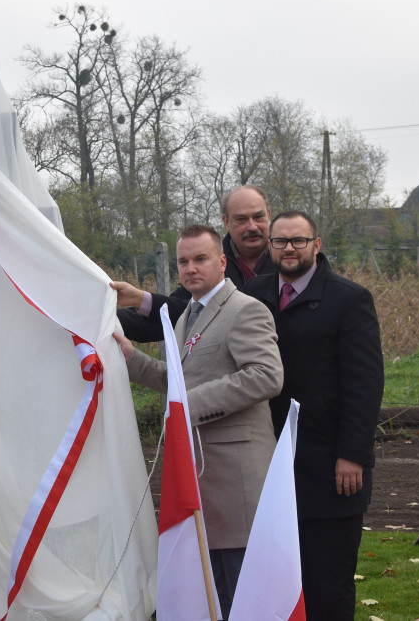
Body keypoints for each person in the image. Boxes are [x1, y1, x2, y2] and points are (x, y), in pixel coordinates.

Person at [112, 224, 283, 620]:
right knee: (211, 595)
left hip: (237, 479)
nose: (190, 269)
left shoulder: (245, 310)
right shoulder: (187, 313)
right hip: (200, 476)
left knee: (242, 596)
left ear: (222, 263)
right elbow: (177, 381)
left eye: (201, 259)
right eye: (183, 262)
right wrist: (130, 358)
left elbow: (266, 375)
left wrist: (187, 405)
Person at [244, 211, 384, 621]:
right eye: (281, 241)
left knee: (327, 583)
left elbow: (365, 383)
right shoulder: (255, 290)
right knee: (279, 580)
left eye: (299, 241)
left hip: (329, 462)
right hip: (269, 457)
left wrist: (354, 453)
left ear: (316, 245)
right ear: (269, 247)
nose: (289, 249)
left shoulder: (349, 299)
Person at [116, 185, 276, 342]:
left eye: (258, 217)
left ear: (269, 216)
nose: (252, 226)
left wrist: (141, 299)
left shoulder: (290, 262)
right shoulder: (208, 265)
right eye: (241, 219)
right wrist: (108, 320)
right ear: (226, 222)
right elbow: (173, 317)